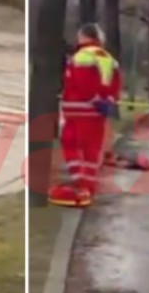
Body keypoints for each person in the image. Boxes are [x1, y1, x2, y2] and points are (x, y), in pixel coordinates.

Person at [49, 23, 123, 208]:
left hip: (77, 109)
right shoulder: (110, 60)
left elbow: (79, 82)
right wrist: (108, 101)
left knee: (70, 143)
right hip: (96, 111)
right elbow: (115, 86)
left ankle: (81, 183)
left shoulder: (80, 57)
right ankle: (86, 184)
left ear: (83, 37)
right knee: (91, 150)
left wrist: (90, 97)